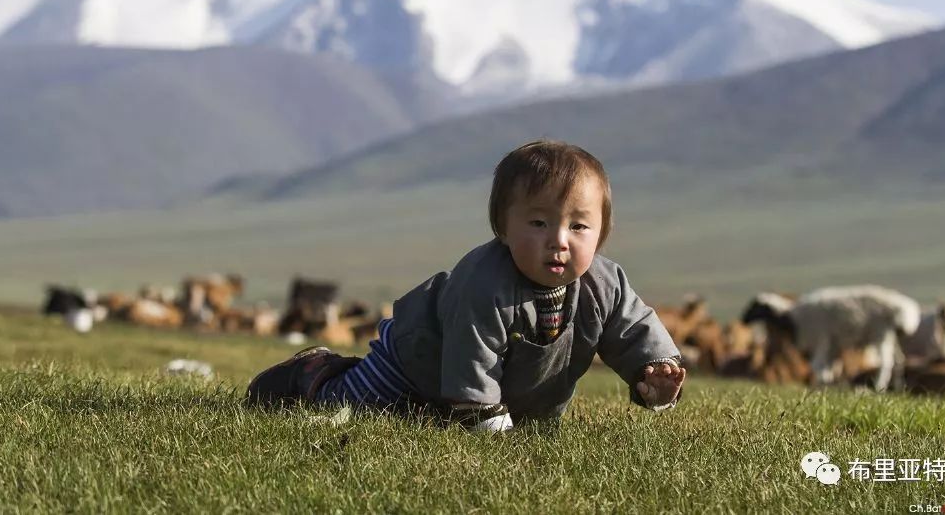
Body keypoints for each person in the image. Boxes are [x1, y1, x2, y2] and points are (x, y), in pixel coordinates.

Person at [247, 139, 685, 430]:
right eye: (538, 222)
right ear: (502, 227)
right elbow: (471, 356)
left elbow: (633, 328)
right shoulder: (485, 282)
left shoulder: (604, 285)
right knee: (354, 407)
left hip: (497, 392)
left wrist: (655, 370)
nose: (558, 241)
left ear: (602, 232)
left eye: (579, 226)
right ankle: (314, 372)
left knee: (426, 423)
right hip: (414, 361)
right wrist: (489, 424)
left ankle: (473, 413)